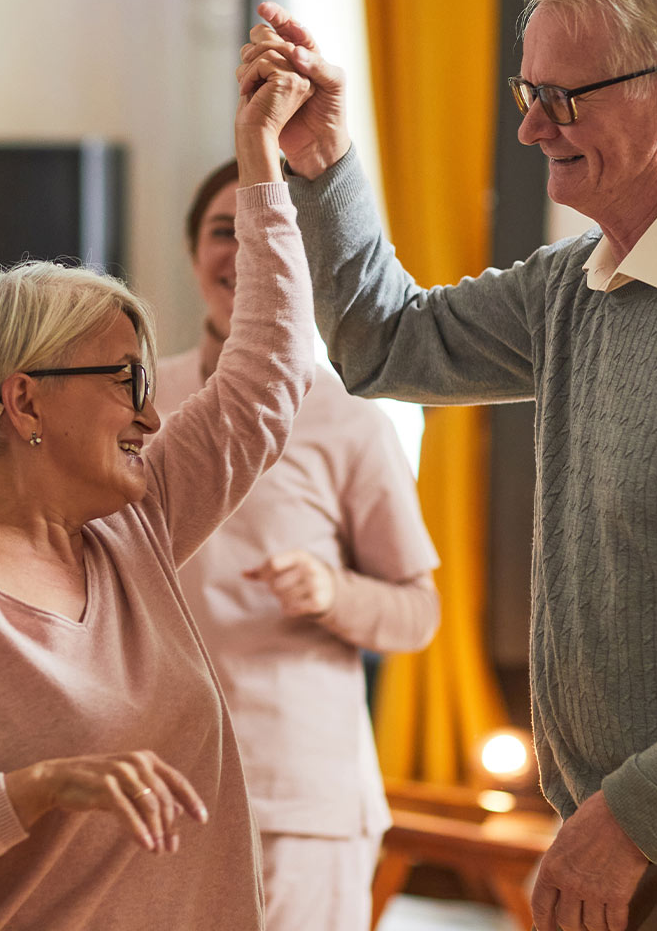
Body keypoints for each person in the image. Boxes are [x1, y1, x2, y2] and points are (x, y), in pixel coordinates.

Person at [241, 0, 657, 927]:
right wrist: (326, 163)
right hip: (630, 842)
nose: (530, 130)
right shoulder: (575, 283)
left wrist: (632, 821)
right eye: (527, 95)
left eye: (562, 100)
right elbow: (385, 342)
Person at [0, 56, 316, 930]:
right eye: (125, 380)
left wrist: (261, 160)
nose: (152, 417)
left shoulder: (135, 530)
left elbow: (267, 374)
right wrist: (34, 791)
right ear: (24, 399)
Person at [152, 158, 440, 930]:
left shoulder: (351, 419)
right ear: (191, 253)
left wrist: (331, 591)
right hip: (149, 790)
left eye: (262, 232)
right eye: (222, 231)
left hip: (295, 797)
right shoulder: (137, 403)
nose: (242, 252)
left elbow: (418, 612)